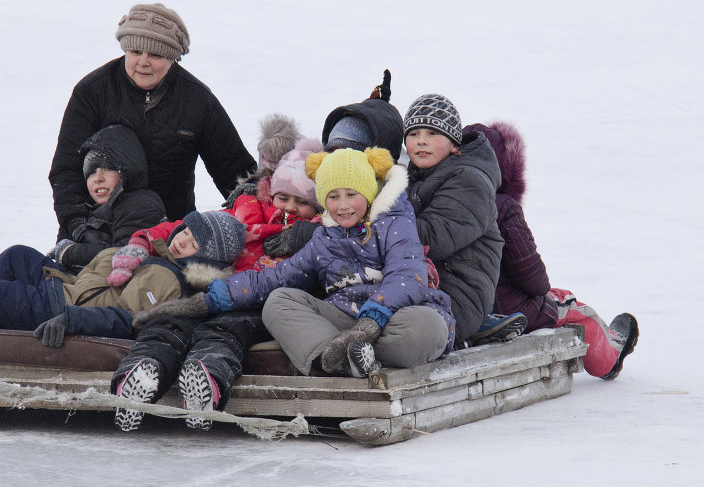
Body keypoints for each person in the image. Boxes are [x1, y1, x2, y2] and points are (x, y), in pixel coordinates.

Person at [136, 147, 456, 390]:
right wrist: (201, 302)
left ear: (369, 194)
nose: (342, 205)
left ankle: (356, 351)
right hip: (346, 319)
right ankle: (334, 360)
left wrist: (370, 323)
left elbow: (407, 276)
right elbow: (271, 280)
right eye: (332, 196)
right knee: (278, 301)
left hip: (401, 316)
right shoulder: (324, 238)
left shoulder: (395, 223)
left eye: (351, 195)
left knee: (424, 330)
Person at [109, 132, 323, 432]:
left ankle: (205, 383)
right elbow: (194, 227)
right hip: (211, 291)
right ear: (269, 191)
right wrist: (144, 240)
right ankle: (142, 372)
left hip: (253, 305)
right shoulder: (245, 208)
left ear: (317, 207)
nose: (289, 207)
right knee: (170, 320)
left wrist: (308, 236)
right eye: (283, 197)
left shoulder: (315, 234)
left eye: (302, 202)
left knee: (224, 332)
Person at [0, 210, 245, 374]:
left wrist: (72, 317)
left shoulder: (166, 277)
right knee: (16, 255)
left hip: (66, 309)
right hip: (67, 289)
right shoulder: (154, 254)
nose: (182, 239)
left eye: (194, 242)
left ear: (205, 256)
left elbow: (128, 320)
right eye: (186, 230)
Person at [48, 2, 256, 240]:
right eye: (136, 52)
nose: (143, 62)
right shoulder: (93, 92)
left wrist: (260, 219)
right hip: (96, 230)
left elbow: (236, 174)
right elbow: (66, 170)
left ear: (172, 58)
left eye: (155, 54)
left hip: (170, 234)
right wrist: (78, 225)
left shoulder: (198, 101)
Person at [464, 121, 638, 379]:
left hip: (463, 308)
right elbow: (534, 279)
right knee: (570, 306)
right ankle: (609, 355)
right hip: (510, 311)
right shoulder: (503, 207)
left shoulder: (442, 199)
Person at [262, 71, 404, 259]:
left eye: (349, 152)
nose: (338, 160)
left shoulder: (395, 201)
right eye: (332, 151)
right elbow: (290, 182)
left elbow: (377, 242)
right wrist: (257, 191)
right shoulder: (323, 171)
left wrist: (310, 236)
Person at [403, 93, 507, 347]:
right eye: (414, 134)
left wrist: (368, 221)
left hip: (458, 297)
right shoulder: (414, 178)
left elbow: (431, 238)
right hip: (422, 284)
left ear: (453, 144)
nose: (422, 142)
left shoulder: (469, 181)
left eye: (432, 133)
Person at [46, 124, 166, 273]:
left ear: (127, 169)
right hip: (80, 284)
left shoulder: (140, 204)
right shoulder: (82, 212)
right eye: (91, 171)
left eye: (108, 168)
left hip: (111, 289)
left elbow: (123, 254)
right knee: (18, 256)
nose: (98, 178)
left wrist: (69, 253)